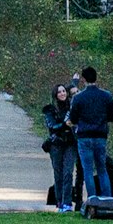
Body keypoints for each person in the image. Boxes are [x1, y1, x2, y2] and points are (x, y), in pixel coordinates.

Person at [65, 66, 113, 207]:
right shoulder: (106, 95)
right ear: (96, 78)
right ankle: (107, 200)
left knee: (87, 169)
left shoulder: (79, 98)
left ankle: (93, 200)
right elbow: (112, 116)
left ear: (83, 80)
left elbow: (74, 118)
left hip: (84, 137)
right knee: (102, 169)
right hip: (100, 135)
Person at [41, 82, 80, 212]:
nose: (62, 93)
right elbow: (52, 127)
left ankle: (67, 203)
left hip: (70, 143)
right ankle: (60, 202)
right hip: (56, 144)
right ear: (55, 95)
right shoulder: (50, 110)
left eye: (64, 91)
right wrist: (64, 125)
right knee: (58, 173)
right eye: (59, 92)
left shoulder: (72, 107)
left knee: (68, 172)